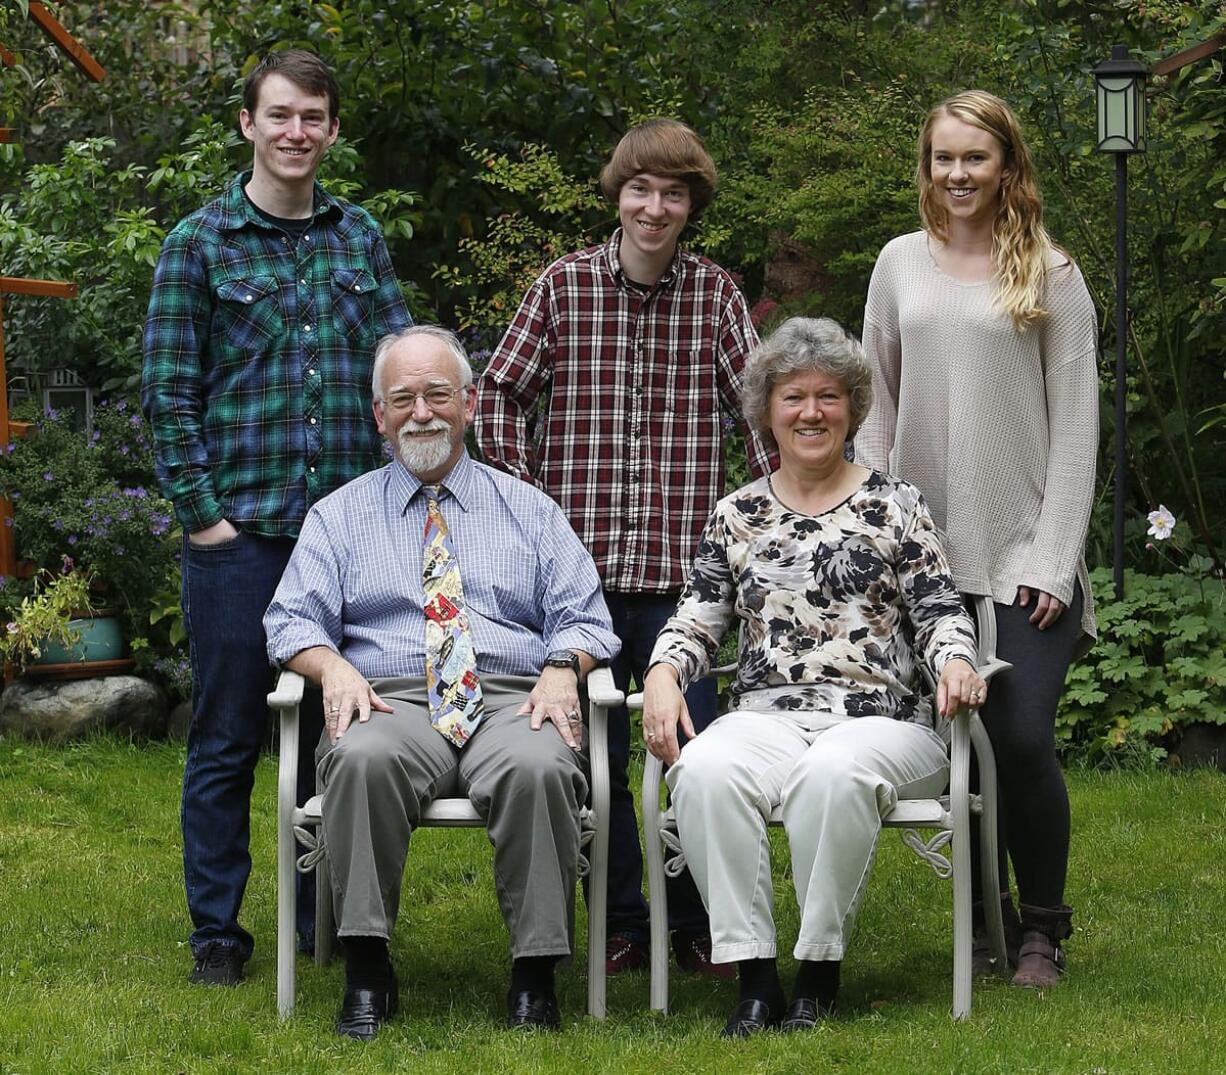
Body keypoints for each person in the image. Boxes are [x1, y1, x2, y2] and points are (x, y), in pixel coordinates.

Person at [476, 118, 775, 978]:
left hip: (686, 582)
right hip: (580, 588)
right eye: (640, 189)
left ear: (691, 205)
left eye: (673, 193)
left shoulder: (716, 297)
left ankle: (696, 921)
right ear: (618, 194)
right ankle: (618, 921)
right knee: (591, 763)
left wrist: (767, 527)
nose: (654, 207)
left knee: (695, 750)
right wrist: (530, 506)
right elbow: (496, 393)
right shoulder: (563, 289)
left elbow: (759, 420)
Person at [264, 325, 620, 1040]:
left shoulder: (530, 508)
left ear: (469, 403)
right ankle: (368, 971)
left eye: (436, 394)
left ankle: (534, 975)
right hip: (388, 694)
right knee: (359, 759)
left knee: (541, 764)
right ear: (379, 416)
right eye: (403, 398)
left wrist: (560, 669)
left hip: (512, 692)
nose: (420, 412)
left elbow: (586, 617)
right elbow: (287, 622)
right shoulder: (338, 516)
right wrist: (331, 665)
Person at [142, 48, 411, 986]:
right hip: (240, 541)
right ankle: (217, 930)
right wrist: (206, 519)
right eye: (280, 115)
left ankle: (317, 917)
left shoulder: (359, 239)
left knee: (341, 729)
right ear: (249, 124)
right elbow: (168, 395)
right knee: (225, 737)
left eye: (314, 118)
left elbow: (400, 373)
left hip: (343, 537)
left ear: (332, 132)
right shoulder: (199, 244)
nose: (297, 132)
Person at [642, 317, 986, 1036]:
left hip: (882, 722)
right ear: (767, 410)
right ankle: (756, 977)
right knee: (703, 767)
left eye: (828, 396)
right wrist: (664, 671)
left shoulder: (896, 503)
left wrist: (955, 657)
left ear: (852, 409)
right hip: (766, 717)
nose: (811, 412)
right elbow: (697, 618)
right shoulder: (738, 513)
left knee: (834, 769)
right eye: (793, 397)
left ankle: (818, 974)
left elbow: (937, 607)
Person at [854, 90, 1098, 989]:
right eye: (942, 158)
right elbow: (871, 399)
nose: (957, 174)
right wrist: (872, 527)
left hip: (1023, 551)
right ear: (927, 167)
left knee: (1020, 735)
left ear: (1008, 167)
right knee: (950, 741)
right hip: (919, 555)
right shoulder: (897, 265)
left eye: (975, 158)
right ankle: (982, 909)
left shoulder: (1051, 274)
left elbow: (1077, 428)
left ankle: (1042, 925)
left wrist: (1054, 558)